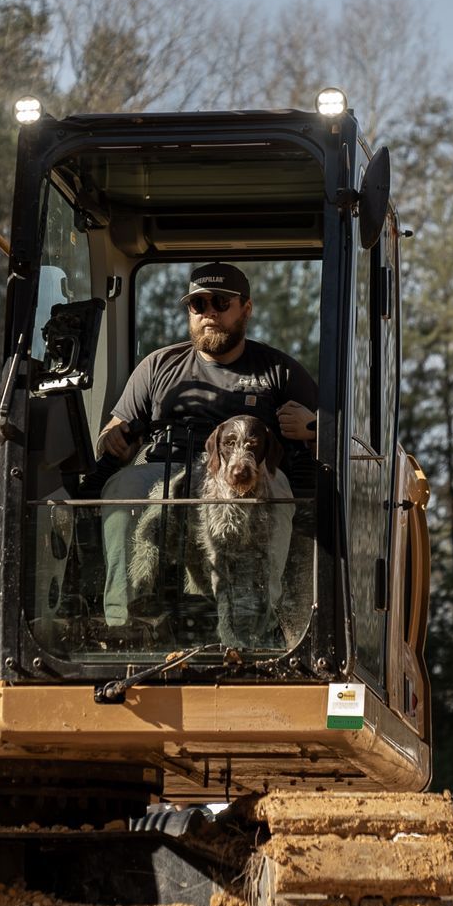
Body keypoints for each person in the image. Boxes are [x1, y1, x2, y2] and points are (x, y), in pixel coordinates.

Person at [95, 262, 318, 634]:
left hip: (245, 474)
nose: (209, 314)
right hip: (169, 467)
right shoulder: (158, 365)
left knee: (279, 492)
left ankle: (263, 618)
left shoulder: (278, 370)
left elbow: (335, 429)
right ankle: (124, 621)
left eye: (220, 303)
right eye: (198, 305)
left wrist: (311, 427)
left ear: (245, 309)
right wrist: (112, 438)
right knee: (122, 488)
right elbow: (114, 428)